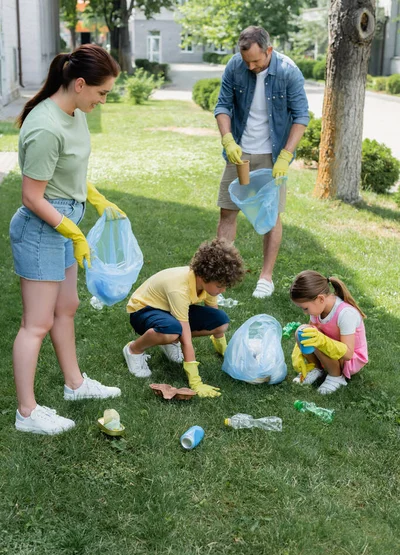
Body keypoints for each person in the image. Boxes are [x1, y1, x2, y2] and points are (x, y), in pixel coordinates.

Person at [10, 45, 126, 435]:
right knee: (36, 324)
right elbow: (32, 196)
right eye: (102, 92)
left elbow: (68, 170)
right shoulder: (45, 126)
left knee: (68, 306)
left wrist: (93, 198)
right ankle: (26, 412)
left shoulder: (74, 113)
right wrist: (73, 231)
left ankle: (74, 384)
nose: (103, 100)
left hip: (61, 223)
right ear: (79, 84)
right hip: (43, 230)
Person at [214, 26, 309, 298]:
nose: (251, 66)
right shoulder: (236, 65)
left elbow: (301, 116)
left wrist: (286, 155)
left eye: (256, 61)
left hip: (273, 156)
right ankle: (219, 279)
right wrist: (228, 140)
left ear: (269, 50)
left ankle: (266, 278)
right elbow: (222, 106)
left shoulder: (289, 71)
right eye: (247, 61)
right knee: (227, 211)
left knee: (270, 216)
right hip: (239, 153)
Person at [123, 239, 245, 397]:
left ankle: (169, 342)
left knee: (221, 321)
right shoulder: (179, 289)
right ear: (203, 276)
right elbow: (186, 338)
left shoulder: (208, 286)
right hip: (142, 310)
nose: (223, 290)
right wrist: (195, 382)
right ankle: (133, 350)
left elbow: (214, 317)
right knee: (173, 331)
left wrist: (227, 353)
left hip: (167, 311)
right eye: (219, 285)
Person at [290, 270, 368, 395]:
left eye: (305, 308)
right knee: (304, 331)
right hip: (332, 349)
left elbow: (348, 353)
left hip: (350, 360)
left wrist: (322, 341)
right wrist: (300, 348)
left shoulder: (346, 314)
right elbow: (312, 332)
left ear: (320, 299)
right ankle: (315, 368)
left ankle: (336, 377)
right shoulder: (318, 308)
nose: (305, 312)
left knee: (316, 339)